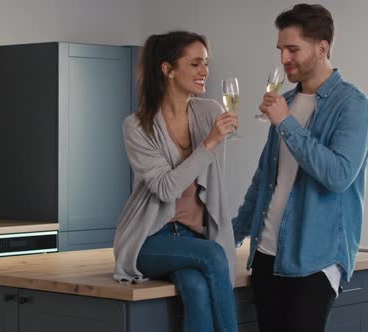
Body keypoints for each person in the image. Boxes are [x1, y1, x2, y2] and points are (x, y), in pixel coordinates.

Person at [232, 4, 368, 332]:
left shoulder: (354, 106)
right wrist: (233, 233)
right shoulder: (286, 102)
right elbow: (266, 179)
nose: (284, 58)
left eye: (293, 49)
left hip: (315, 261)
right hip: (267, 255)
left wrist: (287, 122)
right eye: (281, 49)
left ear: (322, 48)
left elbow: (338, 175)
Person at [113, 30, 239, 332]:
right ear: (167, 70)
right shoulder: (137, 126)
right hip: (151, 239)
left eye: (206, 63)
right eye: (195, 64)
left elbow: (211, 183)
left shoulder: (210, 111)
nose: (205, 72)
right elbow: (167, 188)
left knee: (195, 288)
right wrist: (208, 144)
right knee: (213, 254)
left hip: (194, 238)